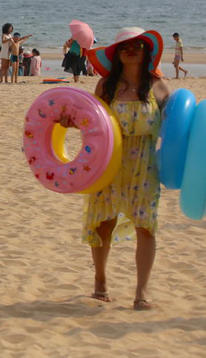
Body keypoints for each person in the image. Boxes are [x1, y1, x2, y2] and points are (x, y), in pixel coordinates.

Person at [66, 27, 171, 310]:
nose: (131, 50)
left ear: (146, 51)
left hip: (144, 165)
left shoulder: (158, 87)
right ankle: (100, 280)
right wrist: (68, 121)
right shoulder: (106, 86)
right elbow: (90, 123)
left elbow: (179, 127)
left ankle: (142, 292)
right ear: (117, 54)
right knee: (104, 223)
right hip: (109, 162)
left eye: (137, 45)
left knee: (146, 226)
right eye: (124, 47)